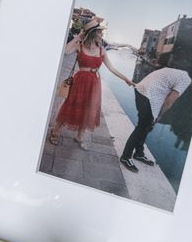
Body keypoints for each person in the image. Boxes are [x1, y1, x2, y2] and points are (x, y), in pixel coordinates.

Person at [49, 17, 133, 148]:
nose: (102, 34)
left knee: (88, 109)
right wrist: (78, 37)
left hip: (94, 83)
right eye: (99, 32)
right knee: (70, 105)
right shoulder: (80, 46)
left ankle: (79, 137)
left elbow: (111, 68)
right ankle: (55, 132)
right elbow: (65, 52)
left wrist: (125, 79)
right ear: (93, 33)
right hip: (80, 81)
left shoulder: (102, 50)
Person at [120, 64, 192, 172]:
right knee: (142, 127)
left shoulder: (177, 71)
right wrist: (160, 116)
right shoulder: (186, 79)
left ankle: (139, 153)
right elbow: (169, 101)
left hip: (140, 89)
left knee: (146, 126)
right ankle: (125, 157)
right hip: (148, 95)